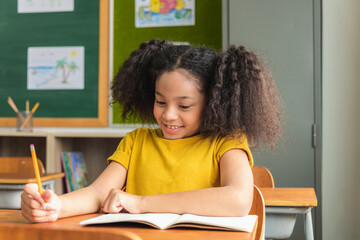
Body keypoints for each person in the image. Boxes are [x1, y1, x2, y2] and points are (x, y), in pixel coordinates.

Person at [21, 39, 282, 222]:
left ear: (213, 103)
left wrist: (142, 203)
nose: (168, 115)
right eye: (160, 101)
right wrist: (56, 206)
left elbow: (237, 200)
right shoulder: (137, 142)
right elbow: (97, 193)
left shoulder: (226, 143)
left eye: (184, 105)